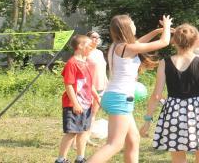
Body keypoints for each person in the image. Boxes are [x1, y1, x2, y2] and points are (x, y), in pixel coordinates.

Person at [87, 14, 172, 163]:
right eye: (132, 23)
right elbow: (165, 42)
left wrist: (155, 32)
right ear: (127, 27)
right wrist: (166, 26)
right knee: (115, 144)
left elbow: (139, 42)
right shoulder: (127, 47)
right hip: (120, 98)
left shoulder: (118, 46)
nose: (134, 25)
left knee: (133, 140)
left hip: (114, 96)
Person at [139, 23, 199, 163]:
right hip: (196, 110)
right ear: (196, 41)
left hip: (172, 110)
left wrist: (147, 122)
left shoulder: (164, 62)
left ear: (174, 41)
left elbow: (156, 95)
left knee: (178, 153)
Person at [56, 35, 99, 163]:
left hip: (86, 104)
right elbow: (68, 84)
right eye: (89, 45)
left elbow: (89, 84)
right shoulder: (72, 63)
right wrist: (75, 104)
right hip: (73, 105)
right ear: (80, 46)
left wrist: (96, 97)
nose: (91, 47)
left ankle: (80, 158)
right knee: (72, 132)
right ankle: (61, 159)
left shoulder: (84, 62)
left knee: (84, 132)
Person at [85, 31, 108, 146]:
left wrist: (107, 83)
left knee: (93, 113)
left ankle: (87, 138)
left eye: (98, 37)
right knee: (85, 114)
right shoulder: (85, 53)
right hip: (89, 88)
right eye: (94, 37)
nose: (96, 39)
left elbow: (102, 69)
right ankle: (77, 140)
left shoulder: (99, 52)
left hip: (101, 87)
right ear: (88, 38)